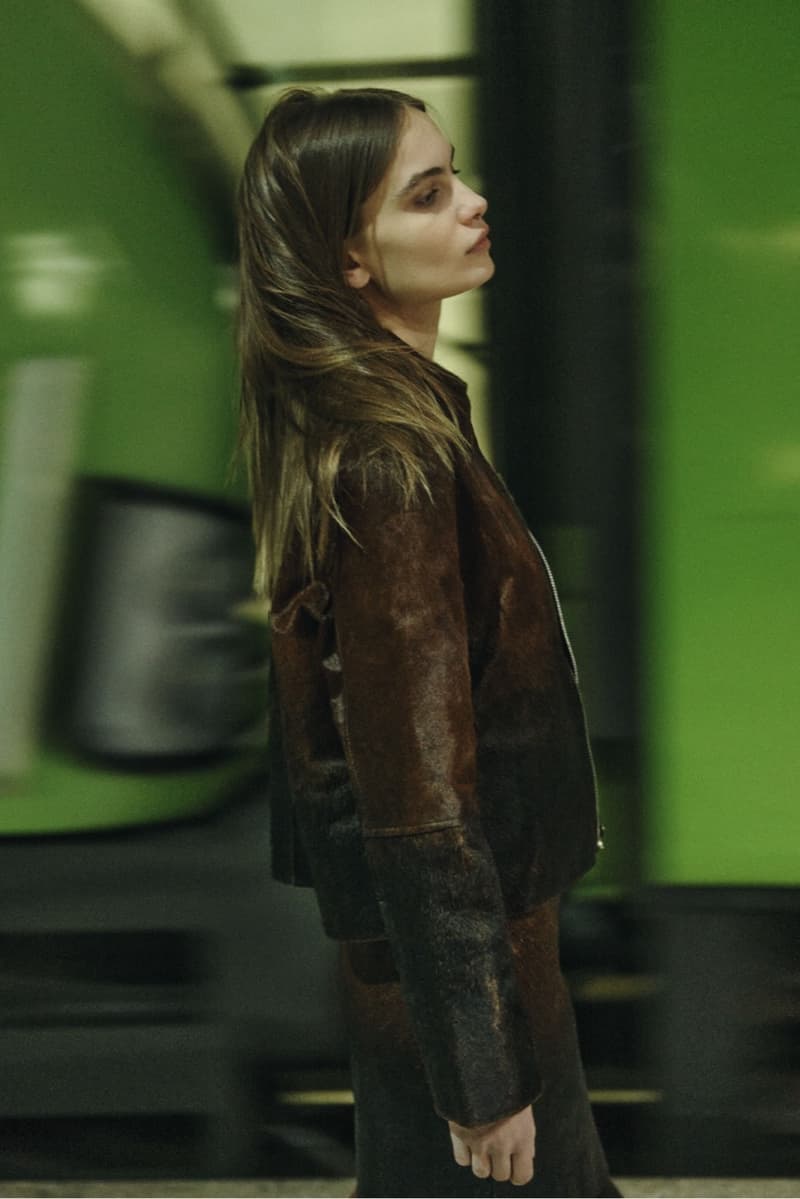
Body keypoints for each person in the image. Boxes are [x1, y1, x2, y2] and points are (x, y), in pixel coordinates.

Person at [236, 86, 621, 1198]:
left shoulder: (387, 423)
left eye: (455, 174)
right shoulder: (388, 462)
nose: (475, 204)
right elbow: (414, 789)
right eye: (429, 192)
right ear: (349, 260)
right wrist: (483, 1068)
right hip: (463, 967)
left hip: (451, 960)